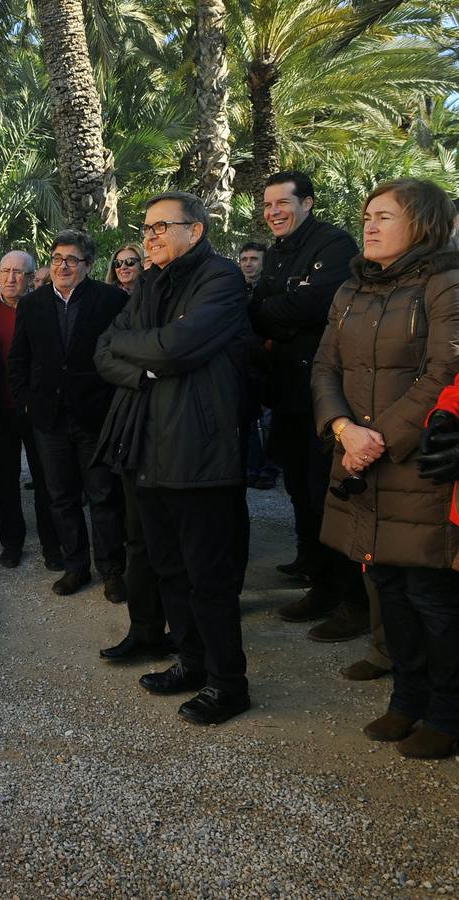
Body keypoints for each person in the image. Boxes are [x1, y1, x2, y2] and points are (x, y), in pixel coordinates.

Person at [312, 178, 459, 758]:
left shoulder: (447, 284)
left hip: (415, 461)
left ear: (421, 224)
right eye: (367, 214)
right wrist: (344, 430)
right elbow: (324, 367)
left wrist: (379, 439)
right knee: (386, 587)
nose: (369, 225)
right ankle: (406, 699)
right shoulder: (350, 290)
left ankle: (446, 713)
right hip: (359, 456)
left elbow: (444, 372)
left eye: (384, 216)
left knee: (432, 594)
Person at [95, 191, 253, 725]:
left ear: (197, 231)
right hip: (146, 448)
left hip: (199, 451)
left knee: (207, 575)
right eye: (147, 228)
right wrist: (147, 367)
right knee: (167, 568)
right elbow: (106, 350)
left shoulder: (222, 279)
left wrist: (151, 352)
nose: (152, 236)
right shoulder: (148, 283)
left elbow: (175, 346)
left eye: (163, 226)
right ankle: (191, 662)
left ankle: (228, 684)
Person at [250, 171, 367, 643]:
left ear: (308, 203)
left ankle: (354, 601)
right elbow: (257, 307)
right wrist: (282, 308)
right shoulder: (279, 252)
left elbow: (317, 304)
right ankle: (319, 581)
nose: (273, 211)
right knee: (300, 492)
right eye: (267, 204)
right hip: (290, 397)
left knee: (331, 498)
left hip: (327, 399)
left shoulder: (334, 244)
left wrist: (278, 311)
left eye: (283, 203)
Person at [7, 230, 129, 600]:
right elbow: (18, 359)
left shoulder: (110, 300)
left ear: (88, 265)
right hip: (49, 420)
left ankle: (112, 571)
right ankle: (76, 567)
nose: (62, 266)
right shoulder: (32, 304)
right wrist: (26, 400)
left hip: (95, 416)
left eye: (71, 260)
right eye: (57, 258)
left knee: (103, 496)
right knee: (60, 497)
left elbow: (121, 354)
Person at [0, 251, 62, 569]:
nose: (11, 278)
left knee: (46, 478)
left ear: (33, 277)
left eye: (19, 272)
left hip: (36, 409)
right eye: (5, 271)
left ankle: (52, 545)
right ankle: (12, 542)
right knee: (4, 480)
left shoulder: (45, 307)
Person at [240, 241, 278, 490]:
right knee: (249, 418)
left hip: (272, 365)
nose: (248, 263)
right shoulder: (235, 290)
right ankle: (252, 467)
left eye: (253, 259)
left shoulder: (272, 290)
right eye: (244, 259)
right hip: (245, 363)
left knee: (270, 419)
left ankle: (270, 468)